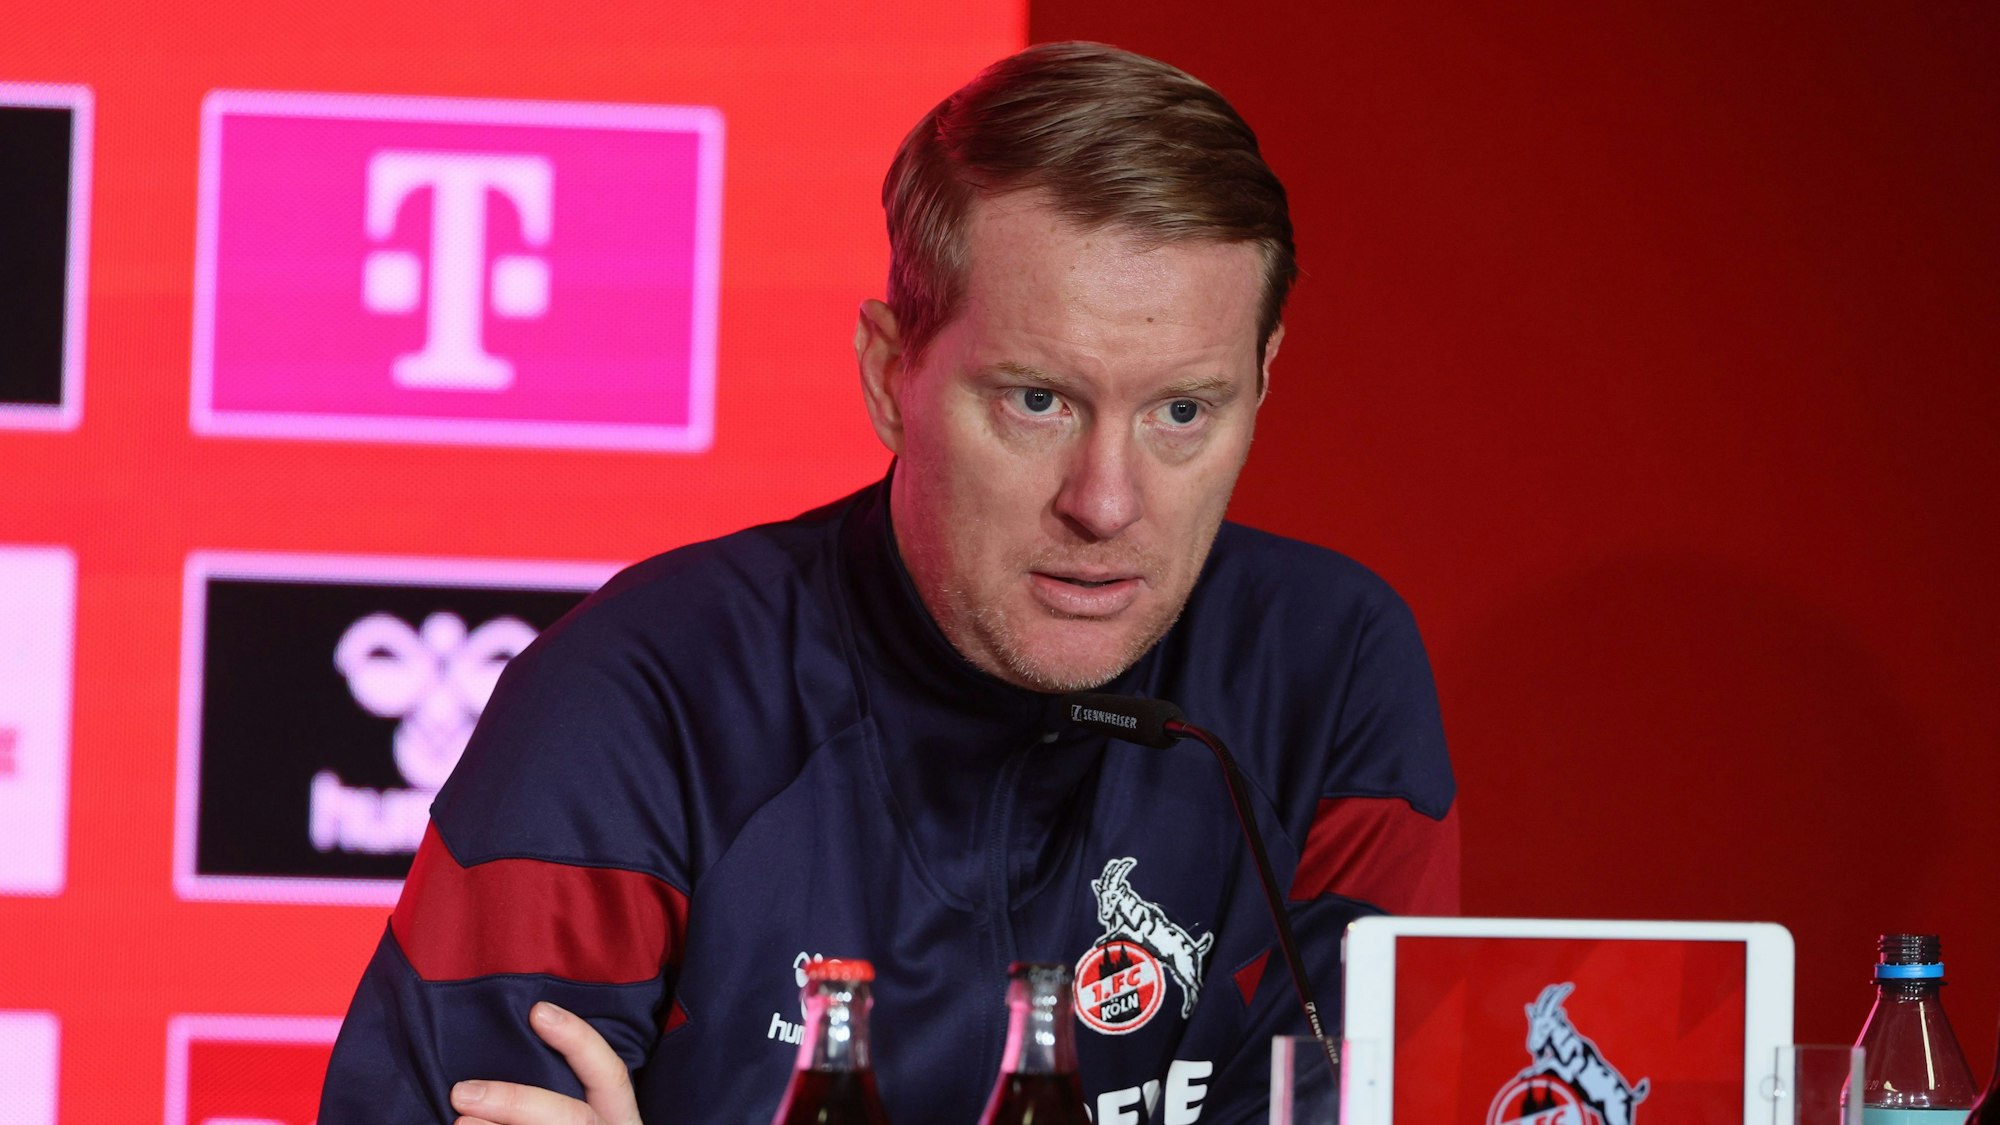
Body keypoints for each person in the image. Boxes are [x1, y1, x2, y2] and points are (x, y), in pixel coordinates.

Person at [318, 41, 1457, 1125]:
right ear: (887, 375)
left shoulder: (1327, 671)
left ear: (1261, 386)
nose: (1105, 503)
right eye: (1037, 400)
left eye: (1180, 413)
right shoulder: (634, 701)